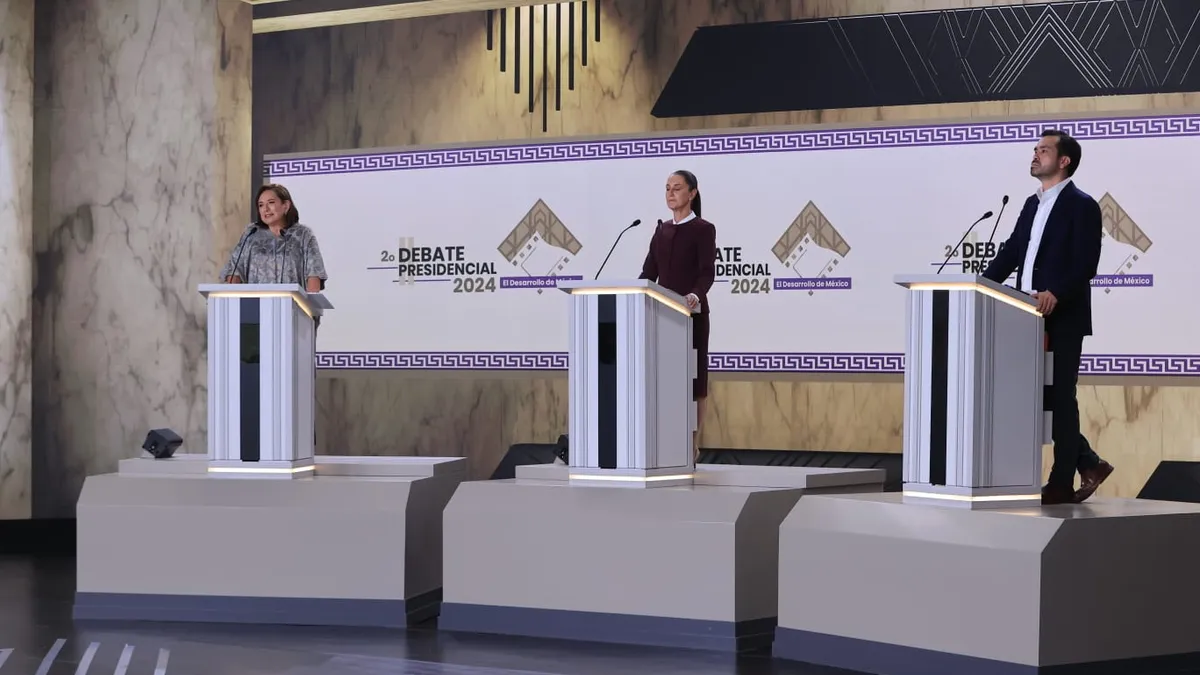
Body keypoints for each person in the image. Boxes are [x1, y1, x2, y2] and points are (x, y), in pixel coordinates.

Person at [982, 129, 1113, 505]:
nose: (1035, 155)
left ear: (1064, 161)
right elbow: (1010, 253)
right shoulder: (1030, 204)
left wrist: (1057, 292)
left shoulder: (1082, 205)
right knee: (1038, 397)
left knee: (1061, 397)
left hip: (1063, 315)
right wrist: (981, 286)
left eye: (1043, 150)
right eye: (1035, 149)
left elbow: (1087, 263)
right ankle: (1089, 462)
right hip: (1025, 315)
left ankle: (1060, 481)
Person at [639, 170, 717, 462]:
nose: (671, 194)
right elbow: (648, 274)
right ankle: (667, 439)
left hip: (692, 315)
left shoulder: (703, 229)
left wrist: (695, 295)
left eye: (677, 188)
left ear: (692, 193)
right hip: (663, 316)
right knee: (666, 380)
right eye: (667, 189)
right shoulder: (660, 231)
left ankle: (691, 443)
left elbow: (707, 272)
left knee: (694, 381)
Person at [221, 183, 328, 293]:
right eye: (261, 205)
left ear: (285, 205)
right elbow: (234, 272)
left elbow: (314, 273)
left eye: (271, 203)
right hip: (255, 306)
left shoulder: (303, 235)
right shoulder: (251, 234)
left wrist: (311, 305)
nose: (265, 209)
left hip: (293, 306)